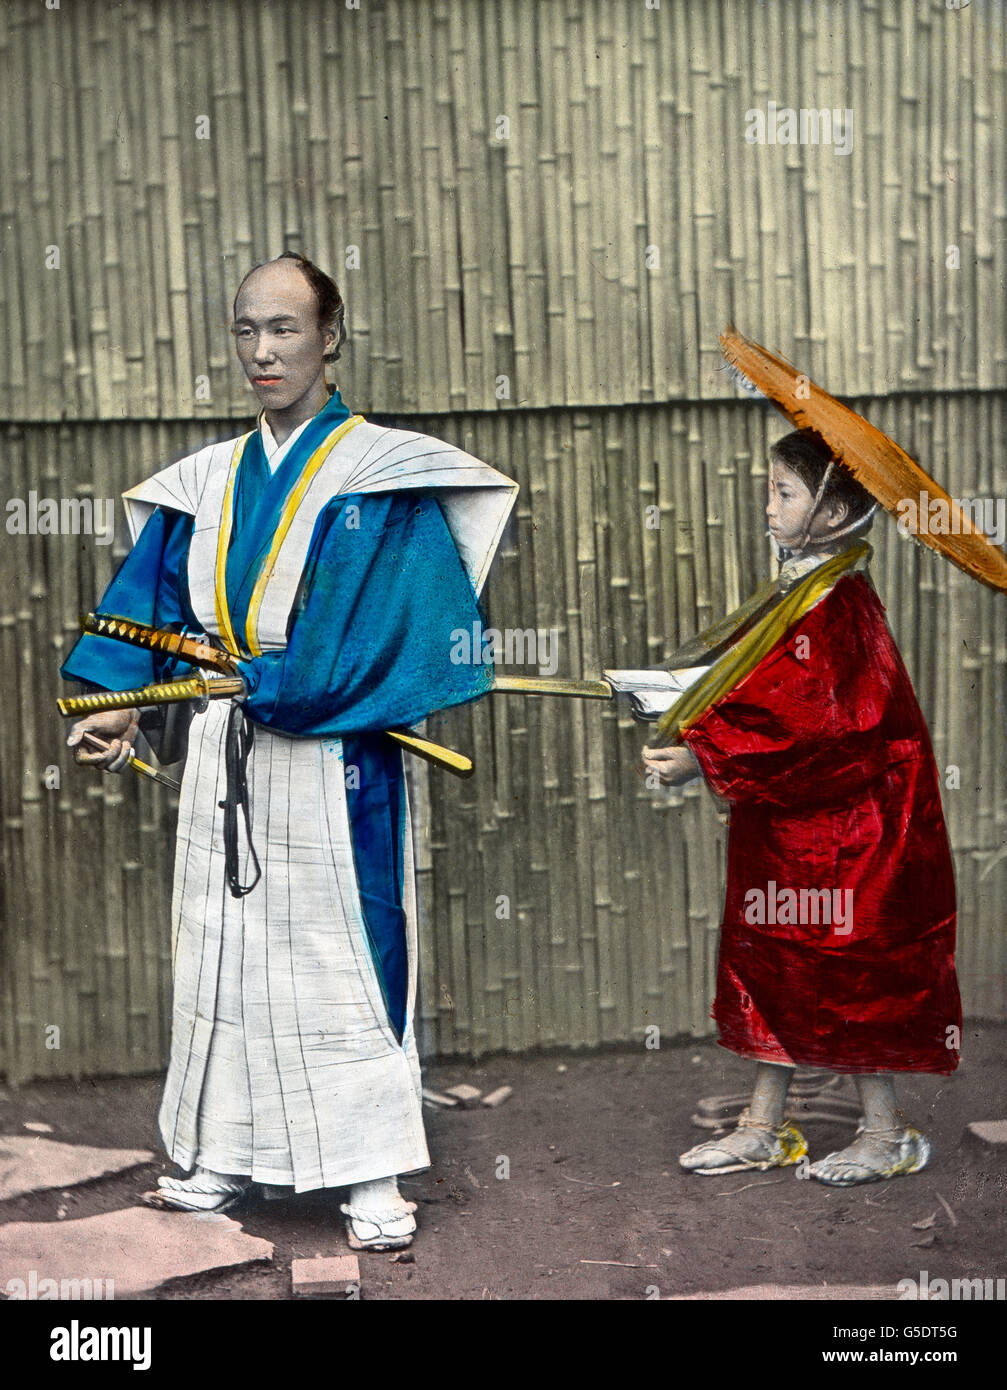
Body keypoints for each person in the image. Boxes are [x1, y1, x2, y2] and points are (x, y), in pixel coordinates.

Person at [61, 251, 517, 1248]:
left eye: (283, 329)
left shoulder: (376, 475)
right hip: (227, 732)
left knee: (343, 946)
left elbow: (380, 632)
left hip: (329, 748)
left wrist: (271, 682)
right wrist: (117, 704)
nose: (262, 351)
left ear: (330, 337)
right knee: (224, 946)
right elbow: (145, 609)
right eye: (245, 331)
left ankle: (365, 1168)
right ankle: (225, 1148)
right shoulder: (212, 478)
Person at [642, 430, 961, 1186]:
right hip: (792, 820)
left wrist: (705, 756)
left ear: (835, 509)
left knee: (848, 966)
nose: (768, 505)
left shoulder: (839, 604)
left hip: (854, 824)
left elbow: (824, 725)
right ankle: (763, 1127)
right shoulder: (802, 592)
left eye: (783, 492)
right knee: (772, 957)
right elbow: (765, 695)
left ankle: (886, 1135)